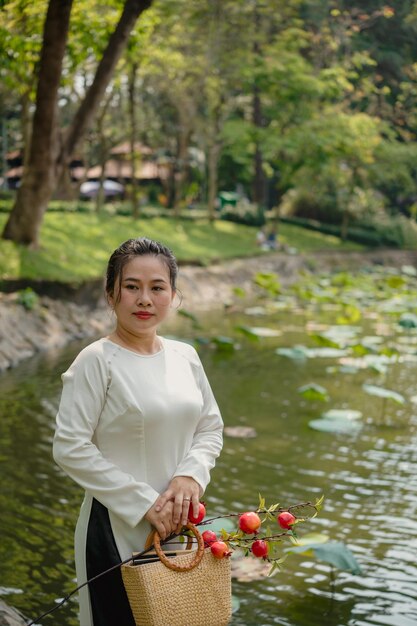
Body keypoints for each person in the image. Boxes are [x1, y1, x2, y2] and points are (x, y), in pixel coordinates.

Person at [52, 237, 224, 626]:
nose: (144, 299)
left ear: (173, 295)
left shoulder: (185, 356)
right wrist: (146, 504)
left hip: (179, 524)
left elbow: (210, 427)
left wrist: (189, 476)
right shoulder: (96, 361)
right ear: (111, 294)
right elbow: (70, 447)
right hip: (115, 529)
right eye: (132, 287)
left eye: (157, 287)